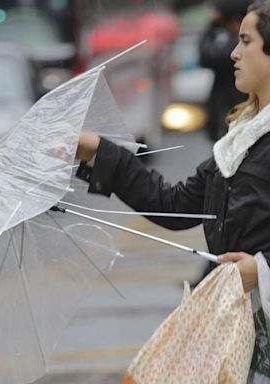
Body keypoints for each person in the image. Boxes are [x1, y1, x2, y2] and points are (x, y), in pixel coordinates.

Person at [76, 0, 270, 380]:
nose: (233, 53)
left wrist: (262, 270)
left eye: (246, 42)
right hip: (242, 329)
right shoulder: (241, 139)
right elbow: (174, 204)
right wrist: (100, 152)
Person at [199, 0, 248, 142]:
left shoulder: (236, 43)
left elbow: (207, 56)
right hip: (229, 112)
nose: (235, 54)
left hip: (233, 111)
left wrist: (212, 24)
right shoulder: (229, 39)